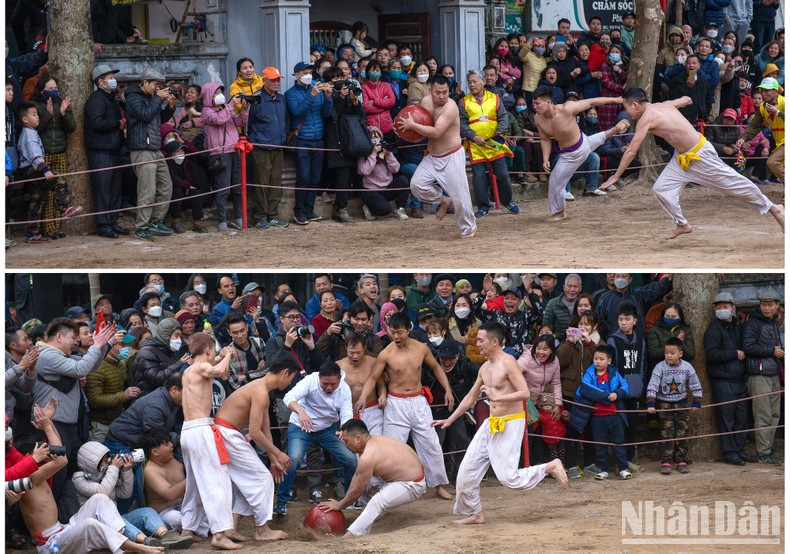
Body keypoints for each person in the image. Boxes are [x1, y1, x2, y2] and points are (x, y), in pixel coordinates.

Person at [600, 87, 784, 238]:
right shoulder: (662, 105)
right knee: (661, 188)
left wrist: (615, 176)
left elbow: (631, 150)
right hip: (680, 158)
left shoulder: (646, 118)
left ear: (635, 105)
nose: (626, 113)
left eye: (626, 108)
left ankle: (774, 208)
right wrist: (685, 100)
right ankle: (682, 224)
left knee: (732, 184)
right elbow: (683, 99)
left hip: (700, 155)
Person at [432, 321, 567, 524]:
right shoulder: (484, 368)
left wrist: (497, 397)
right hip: (492, 422)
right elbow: (470, 397)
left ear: (494, 342)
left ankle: (549, 466)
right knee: (466, 471)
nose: (477, 344)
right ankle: (475, 513)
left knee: (509, 478)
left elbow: (524, 392)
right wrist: (449, 420)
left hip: (511, 422)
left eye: (480, 340)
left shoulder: (509, 362)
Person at [18, 400, 164, 554]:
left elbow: (59, 452)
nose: (48, 453)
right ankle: (138, 547)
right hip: (50, 543)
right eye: (42, 451)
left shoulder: (40, 471)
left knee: (99, 499)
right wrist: (48, 427)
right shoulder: (29, 477)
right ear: (28, 456)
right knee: (90, 523)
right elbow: (62, 459)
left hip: (63, 529)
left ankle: (129, 539)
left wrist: (49, 423)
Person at [357, 312, 455, 500]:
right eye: (393, 332)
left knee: (431, 444)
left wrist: (448, 390)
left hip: (419, 402)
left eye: (400, 332)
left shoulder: (421, 348)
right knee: (393, 447)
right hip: (395, 403)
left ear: (408, 330)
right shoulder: (386, 354)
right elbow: (373, 378)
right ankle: (391, 486)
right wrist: (363, 397)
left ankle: (438, 485)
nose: (396, 336)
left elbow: (436, 368)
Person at [213, 353, 297, 541]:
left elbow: (265, 429)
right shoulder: (260, 391)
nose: (290, 383)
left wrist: (273, 460)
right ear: (285, 373)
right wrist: (278, 453)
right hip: (226, 434)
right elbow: (255, 432)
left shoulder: (262, 390)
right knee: (262, 478)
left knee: (249, 481)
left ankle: (231, 528)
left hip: (228, 434)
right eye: (291, 378)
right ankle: (262, 530)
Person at [178, 334, 242, 549]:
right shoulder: (200, 368)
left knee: (195, 483)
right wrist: (229, 355)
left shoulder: (189, 370)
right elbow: (219, 371)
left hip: (188, 430)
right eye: (213, 351)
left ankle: (188, 528)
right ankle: (220, 534)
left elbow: (212, 365)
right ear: (207, 350)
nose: (214, 355)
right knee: (217, 481)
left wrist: (221, 355)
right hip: (200, 429)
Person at [532, 85, 630, 221]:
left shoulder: (567, 108)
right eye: (533, 103)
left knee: (555, 179)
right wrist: (545, 158)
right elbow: (545, 139)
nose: (534, 106)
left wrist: (615, 100)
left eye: (537, 103)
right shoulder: (538, 118)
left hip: (582, 144)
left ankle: (560, 213)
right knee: (555, 180)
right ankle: (614, 130)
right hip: (569, 154)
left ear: (548, 102)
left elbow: (591, 102)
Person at [273, 361, 358, 515]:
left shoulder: (344, 389)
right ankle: (281, 503)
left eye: (333, 384)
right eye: (325, 384)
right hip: (300, 427)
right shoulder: (310, 380)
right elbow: (289, 397)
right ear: (319, 378)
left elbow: (347, 413)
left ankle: (350, 499)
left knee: (351, 459)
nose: (329, 387)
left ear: (339, 379)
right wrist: (301, 412)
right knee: (293, 460)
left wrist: (343, 431)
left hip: (326, 429)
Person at [399, 74, 477, 239]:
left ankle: (468, 229)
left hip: (452, 155)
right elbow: (419, 124)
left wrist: (412, 125)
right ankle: (442, 200)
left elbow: (436, 131)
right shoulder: (425, 102)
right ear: (430, 90)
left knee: (460, 195)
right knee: (416, 185)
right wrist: (402, 128)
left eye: (445, 92)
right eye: (438, 92)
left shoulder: (451, 107)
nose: (442, 96)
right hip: (432, 156)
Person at [317, 419, 427, 535]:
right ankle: (368, 516)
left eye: (346, 441)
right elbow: (357, 476)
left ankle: (352, 534)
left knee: (377, 501)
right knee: (366, 485)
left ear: (357, 438)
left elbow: (357, 490)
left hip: (412, 483)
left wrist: (340, 505)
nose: (344, 444)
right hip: (401, 477)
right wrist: (343, 503)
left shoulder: (368, 456)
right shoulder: (371, 441)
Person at [71, 442, 191, 548]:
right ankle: (146, 541)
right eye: (103, 459)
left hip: (116, 520)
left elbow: (125, 494)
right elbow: (103, 492)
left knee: (146, 512)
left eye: (108, 457)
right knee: (119, 520)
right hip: (99, 525)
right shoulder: (79, 478)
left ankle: (167, 536)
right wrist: (113, 468)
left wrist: (126, 471)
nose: (108, 461)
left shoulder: (107, 473)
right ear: (92, 462)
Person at [703, 291, 756, 465]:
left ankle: (739, 450)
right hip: (722, 380)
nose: (721, 309)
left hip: (739, 379)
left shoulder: (738, 326)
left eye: (725, 306)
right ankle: (730, 452)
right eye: (718, 307)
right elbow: (712, 354)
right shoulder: (713, 330)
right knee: (726, 419)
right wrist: (734, 354)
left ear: (732, 308)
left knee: (742, 418)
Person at [15, 102, 80, 243]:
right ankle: (64, 208)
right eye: (34, 115)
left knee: (37, 199)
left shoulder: (30, 132)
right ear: (25, 119)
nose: (37, 117)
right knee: (58, 180)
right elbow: (34, 154)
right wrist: (45, 170)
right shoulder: (29, 134)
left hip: (28, 169)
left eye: (37, 114)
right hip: (33, 168)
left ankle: (32, 233)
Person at [125, 68, 175, 241]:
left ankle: (156, 221)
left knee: (166, 185)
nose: (157, 88)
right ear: (145, 82)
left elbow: (159, 118)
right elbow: (145, 115)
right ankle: (141, 227)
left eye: (159, 85)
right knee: (148, 190)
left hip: (155, 148)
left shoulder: (151, 98)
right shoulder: (133, 97)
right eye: (154, 84)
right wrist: (158, 99)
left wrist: (170, 106)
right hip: (141, 149)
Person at [460, 69, 519, 218]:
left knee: (503, 175)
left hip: (495, 143)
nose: (471, 85)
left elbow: (504, 118)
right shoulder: (463, 102)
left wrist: (497, 135)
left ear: (483, 82)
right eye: (469, 82)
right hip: (476, 145)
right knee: (479, 177)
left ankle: (508, 201)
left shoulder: (495, 98)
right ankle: (483, 206)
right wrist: (474, 137)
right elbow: (461, 124)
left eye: (474, 81)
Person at [569, 345, 632, 480]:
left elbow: (625, 386)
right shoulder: (589, 374)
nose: (598, 361)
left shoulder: (614, 373)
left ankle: (622, 468)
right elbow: (585, 389)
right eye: (596, 358)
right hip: (597, 417)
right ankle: (604, 469)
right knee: (600, 444)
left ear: (609, 361)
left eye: (601, 359)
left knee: (618, 442)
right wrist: (606, 397)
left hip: (615, 415)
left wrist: (617, 394)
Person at [29, 74, 77, 240]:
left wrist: (63, 113)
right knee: (47, 193)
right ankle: (46, 229)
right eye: (50, 88)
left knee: (60, 192)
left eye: (55, 88)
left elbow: (71, 128)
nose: (54, 91)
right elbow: (36, 129)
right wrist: (48, 114)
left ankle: (56, 228)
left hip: (60, 151)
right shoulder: (35, 105)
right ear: (42, 90)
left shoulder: (61, 103)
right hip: (44, 155)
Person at [285, 61, 333, 225]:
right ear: (297, 75)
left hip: (318, 139)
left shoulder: (317, 87)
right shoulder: (291, 93)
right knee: (304, 176)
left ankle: (308, 209)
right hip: (302, 139)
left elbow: (326, 113)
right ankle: (299, 211)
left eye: (310, 72)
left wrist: (328, 98)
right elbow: (297, 111)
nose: (308, 75)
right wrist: (312, 94)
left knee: (315, 177)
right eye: (305, 72)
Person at [646, 337, 704, 474]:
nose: (669, 356)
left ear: (680, 354)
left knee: (682, 432)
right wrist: (651, 403)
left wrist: (697, 401)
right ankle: (666, 460)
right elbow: (653, 385)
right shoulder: (660, 367)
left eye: (672, 353)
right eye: (666, 353)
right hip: (664, 403)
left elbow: (695, 384)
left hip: (682, 403)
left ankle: (681, 460)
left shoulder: (687, 367)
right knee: (667, 433)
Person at [199, 82, 248, 232]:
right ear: (209, 95)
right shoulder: (206, 111)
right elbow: (219, 120)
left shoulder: (226, 108)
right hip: (219, 153)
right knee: (223, 188)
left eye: (221, 92)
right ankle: (222, 220)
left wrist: (245, 108)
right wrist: (231, 105)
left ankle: (239, 217)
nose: (219, 95)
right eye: (216, 93)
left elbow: (241, 122)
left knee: (238, 187)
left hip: (235, 150)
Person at [743, 290, 784, 465]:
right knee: (763, 416)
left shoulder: (773, 322)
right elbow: (748, 347)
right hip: (759, 375)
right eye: (763, 305)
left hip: (773, 373)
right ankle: (763, 452)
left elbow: (777, 347)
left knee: (775, 414)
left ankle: (768, 448)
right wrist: (772, 351)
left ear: (777, 306)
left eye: (770, 305)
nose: (766, 308)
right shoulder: (753, 323)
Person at [606, 302, 646, 473]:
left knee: (632, 427)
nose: (623, 322)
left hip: (635, 391)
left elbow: (642, 363)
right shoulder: (613, 339)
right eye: (620, 319)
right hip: (619, 393)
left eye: (627, 319)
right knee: (619, 428)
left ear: (635, 321)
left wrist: (640, 382)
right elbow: (611, 366)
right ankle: (620, 462)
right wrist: (616, 388)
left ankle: (629, 460)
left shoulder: (640, 339)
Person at [106, 372, 183, 451]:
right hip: (120, 443)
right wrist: (183, 439)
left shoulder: (173, 401)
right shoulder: (155, 406)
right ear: (174, 389)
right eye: (186, 392)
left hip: (134, 442)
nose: (188, 396)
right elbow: (157, 435)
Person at [736, 77, 784, 183]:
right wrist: (743, 138)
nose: (763, 93)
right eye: (762, 90)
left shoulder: (784, 102)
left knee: (772, 162)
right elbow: (754, 126)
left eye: (767, 90)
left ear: (775, 91)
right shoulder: (763, 106)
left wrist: (777, 112)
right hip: (779, 141)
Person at [358, 126, 410, 221]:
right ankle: (369, 207)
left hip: (386, 188)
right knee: (385, 210)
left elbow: (396, 169)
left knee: (403, 180)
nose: (376, 140)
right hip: (370, 190)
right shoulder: (363, 154)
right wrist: (373, 154)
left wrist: (389, 155)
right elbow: (365, 171)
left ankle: (400, 208)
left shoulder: (385, 150)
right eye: (372, 137)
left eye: (377, 137)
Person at [338, 333, 386, 434]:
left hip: (372, 408)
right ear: (346, 348)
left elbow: (381, 385)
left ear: (364, 348)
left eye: (359, 352)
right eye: (351, 353)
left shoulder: (373, 362)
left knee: (376, 440)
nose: (355, 356)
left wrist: (383, 395)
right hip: (349, 411)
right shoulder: (339, 366)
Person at [142, 428, 187, 532]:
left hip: (185, 506)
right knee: (182, 520)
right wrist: (192, 478)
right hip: (165, 513)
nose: (172, 445)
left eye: (170, 442)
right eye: (167, 444)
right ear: (155, 452)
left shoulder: (176, 460)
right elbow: (171, 494)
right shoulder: (150, 470)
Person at [133, 318, 186, 396]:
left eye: (180, 336)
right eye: (176, 335)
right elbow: (155, 379)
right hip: (150, 397)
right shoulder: (147, 352)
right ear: (166, 335)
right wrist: (180, 363)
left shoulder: (169, 351)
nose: (179, 340)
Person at [542, 274, 583, 341]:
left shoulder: (585, 304)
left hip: (582, 341)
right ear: (564, 287)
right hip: (558, 342)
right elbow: (546, 328)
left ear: (580, 288)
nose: (572, 289)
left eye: (575, 286)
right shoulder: (553, 304)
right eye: (569, 286)